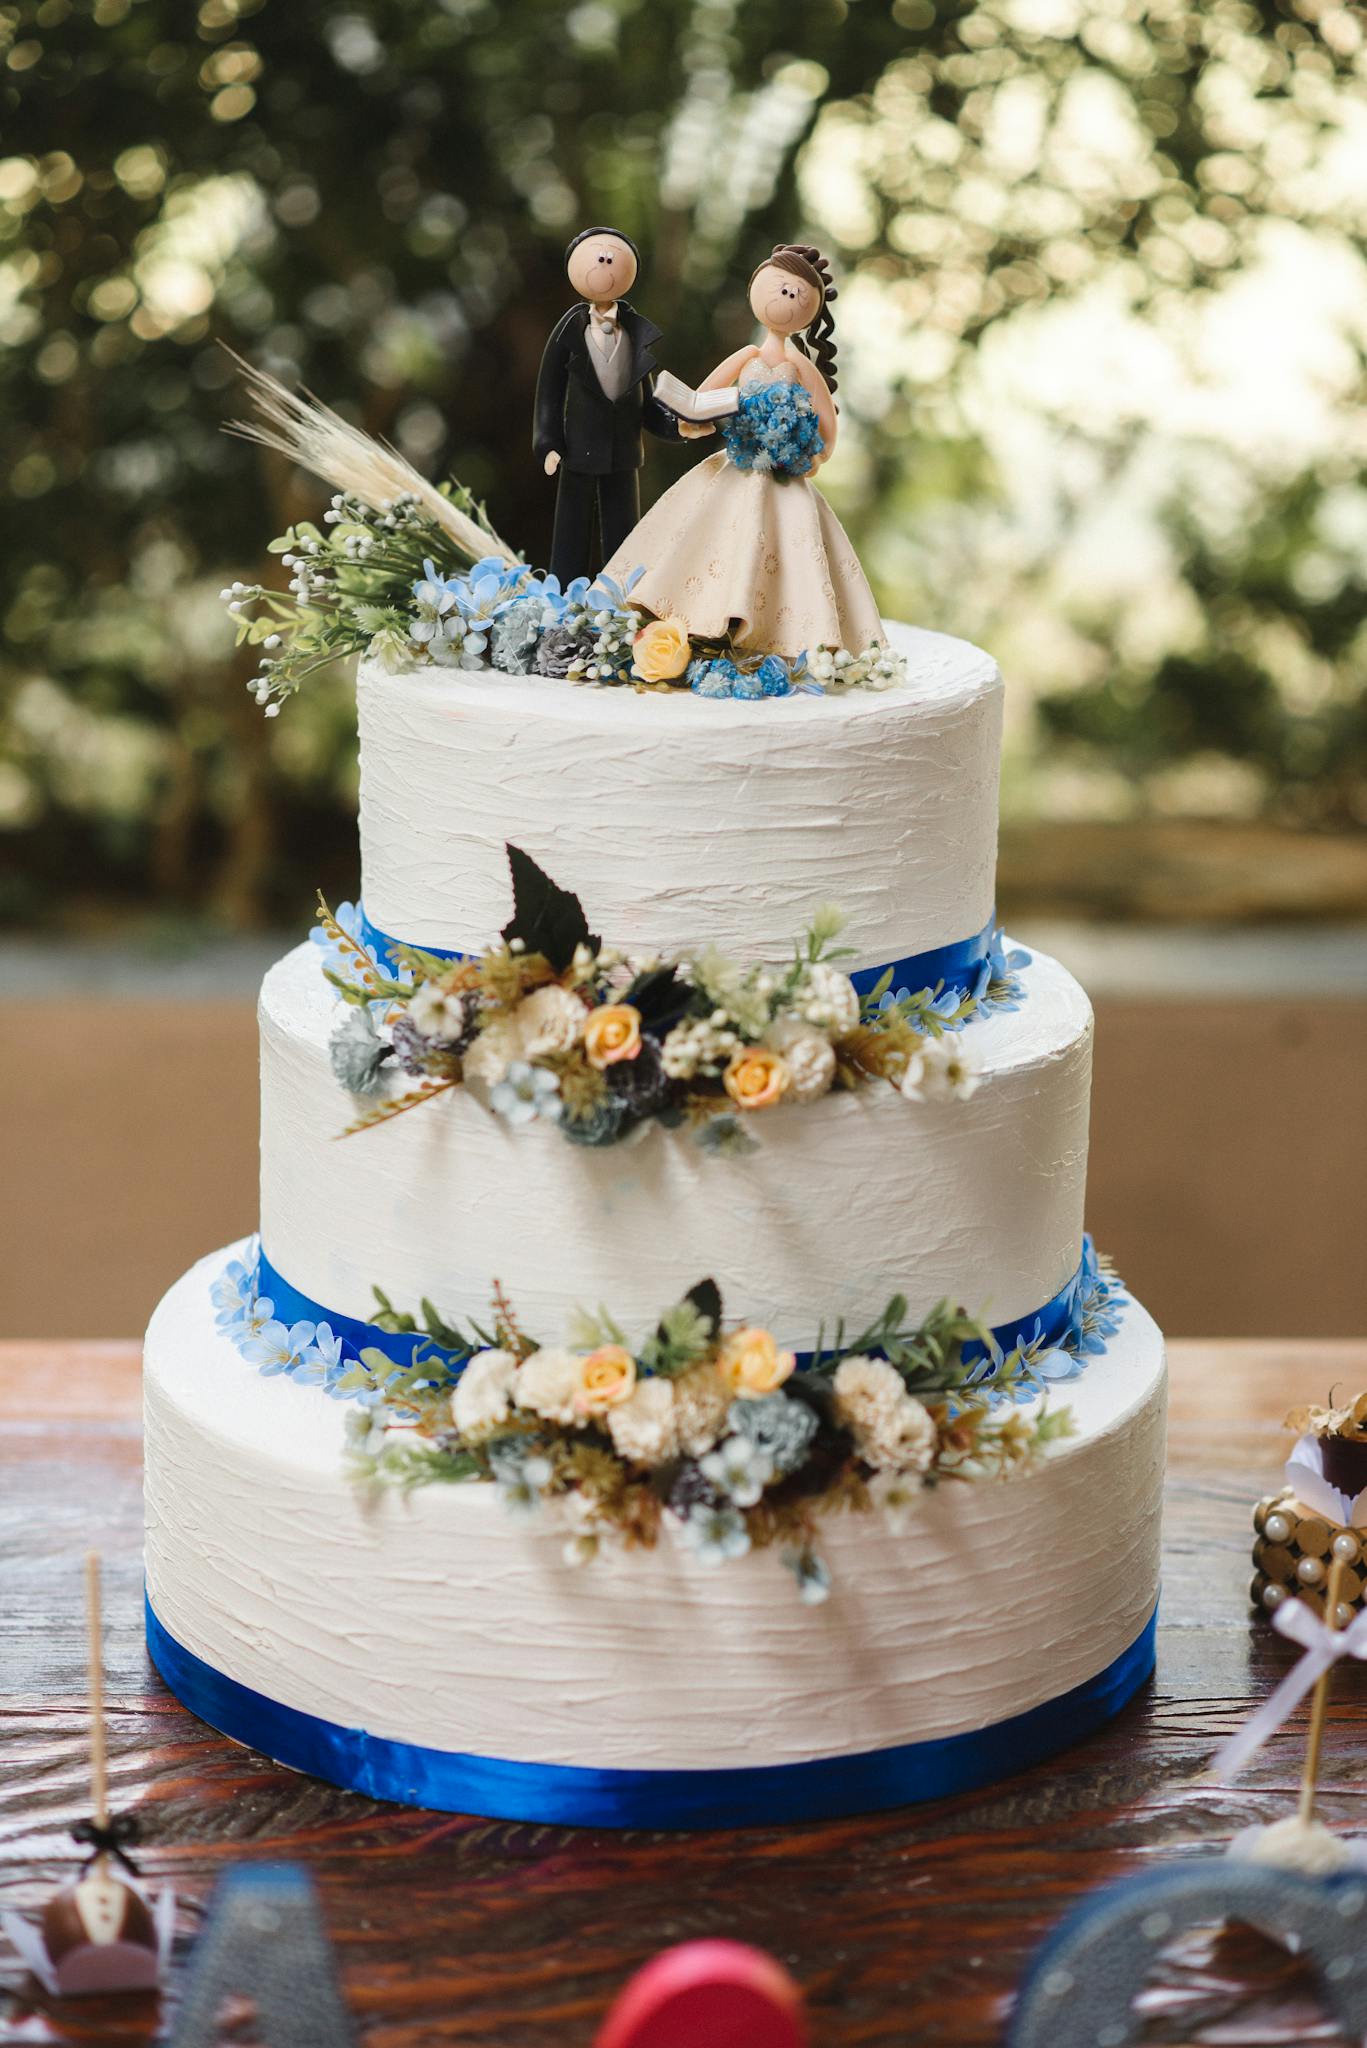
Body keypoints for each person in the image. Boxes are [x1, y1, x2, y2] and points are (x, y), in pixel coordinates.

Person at [601, 243, 886, 659]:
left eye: (797, 294)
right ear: (755, 288)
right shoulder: (747, 355)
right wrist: (690, 418)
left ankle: (771, 635)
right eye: (779, 288)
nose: (786, 299)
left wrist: (814, 453)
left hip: (782, 474)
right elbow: (704, 395)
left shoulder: (800, 365)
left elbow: (826, 421)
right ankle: (696, 622)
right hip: (735, 463)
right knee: (704, 538)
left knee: (783, 549)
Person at [533, 226, 712, 585]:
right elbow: (549, 391)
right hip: (577, 447)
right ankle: (564, 596)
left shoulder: (634, 331)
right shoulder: (569, 328)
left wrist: (677, 426)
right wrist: (548, 443)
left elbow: (646, 401)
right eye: (596, 254)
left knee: (625, 531)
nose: (604, 260)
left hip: (624, 450)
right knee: (571, 529)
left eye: (612, 256)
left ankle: (622, 597)